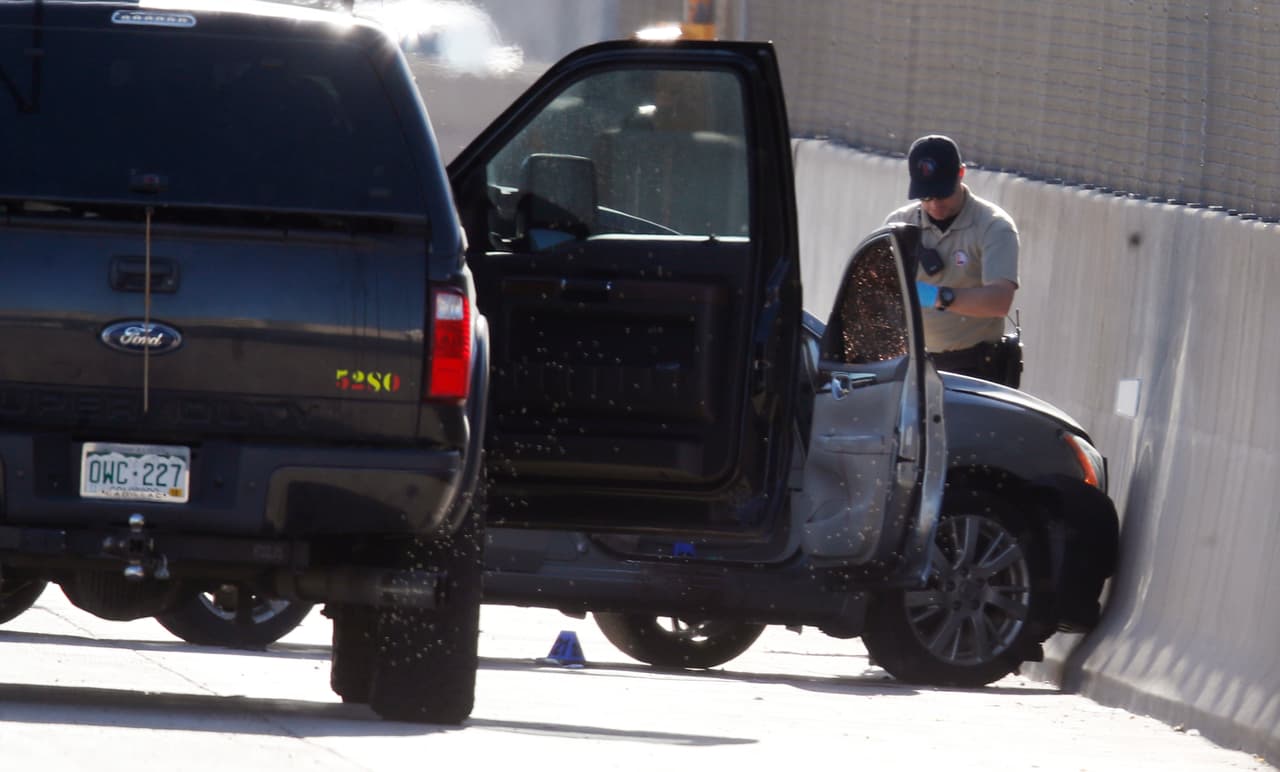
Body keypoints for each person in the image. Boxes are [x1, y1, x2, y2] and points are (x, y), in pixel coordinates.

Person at [883, 134, 1021, 384]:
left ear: (961, 174)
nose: (935, 204)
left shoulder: (993, 227)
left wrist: (933, 296)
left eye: (942, 194)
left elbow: (999, 301)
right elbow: (881, 293)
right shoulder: (898, 226)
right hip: (913, 366)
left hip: (974, 369)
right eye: (926, 197)